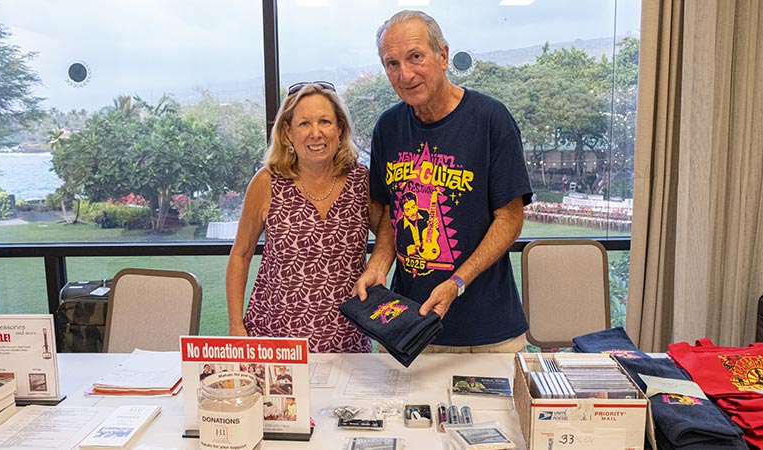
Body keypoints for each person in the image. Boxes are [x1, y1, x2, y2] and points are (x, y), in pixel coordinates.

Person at [354, 10, 534, 353]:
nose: (405, 74)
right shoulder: (388, 128)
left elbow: (510, 219)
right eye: (392, 64)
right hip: (410, 326)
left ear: (443, 55)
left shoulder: (490, 119)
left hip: (489, 333)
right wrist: (377, 265)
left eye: (415, 57)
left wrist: (457, 282)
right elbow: (392, 214)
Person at [226, 81, 382, 353]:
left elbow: (390, 234)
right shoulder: (265, 183)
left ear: (340, 128)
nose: (316, 133)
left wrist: (376, 268)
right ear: (287, 132)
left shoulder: (362, 182)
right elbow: (240, 254)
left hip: (347, 343)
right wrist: (236, 327)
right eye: (304, 124)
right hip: (274, 340)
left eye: (325, 121)